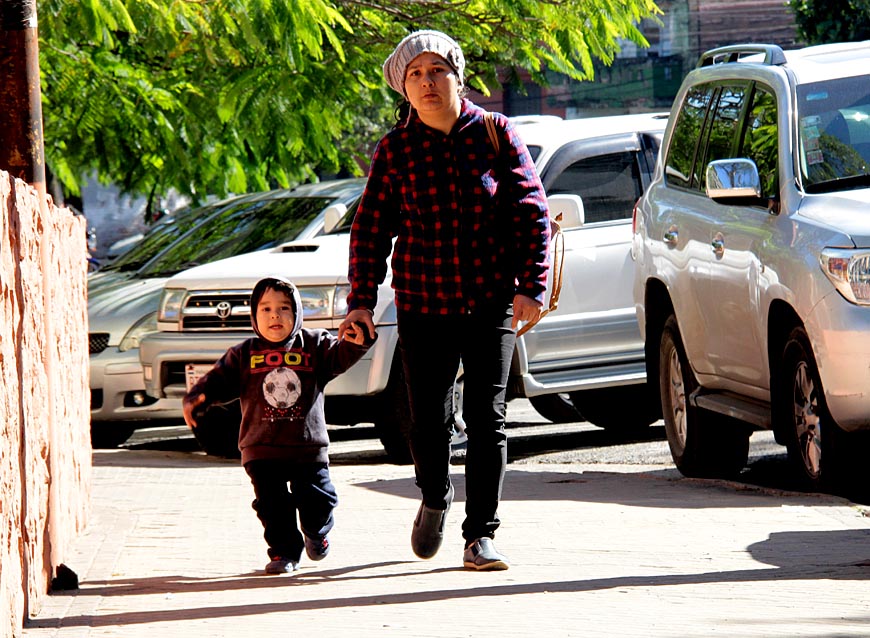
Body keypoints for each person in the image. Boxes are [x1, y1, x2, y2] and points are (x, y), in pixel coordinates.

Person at [338, 30, 550, 571]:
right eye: (416, 75)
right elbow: (370, 229)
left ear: (457, 76)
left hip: (489, 302)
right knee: (428, 422)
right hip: (422, 305)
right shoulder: (395, 150)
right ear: (403, 88)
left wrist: (532, 285)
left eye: (437, 70)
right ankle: (434, 495)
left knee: (488, 417)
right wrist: (361, 300)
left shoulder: (498, 134)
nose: (428, 82)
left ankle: (480, 536)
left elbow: (531, 211)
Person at [184, 276, 374, 574]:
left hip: (307, 448)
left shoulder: (314, 345)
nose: (275, 315)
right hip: (261, 448)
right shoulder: (243, 354)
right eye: (266, 309)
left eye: (284, 308)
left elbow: (341, 355)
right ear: (254, 316)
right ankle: (284, 552)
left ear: (296, 312)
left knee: (316, 500)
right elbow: (218, 381)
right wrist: (198, 397)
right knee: (272, 507)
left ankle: (317, 531)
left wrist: (357, 342)